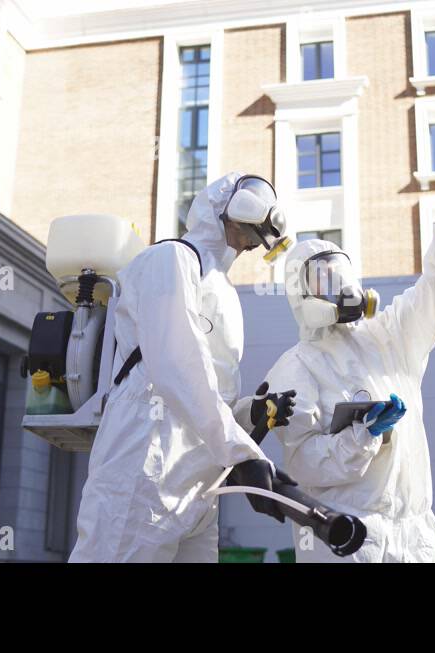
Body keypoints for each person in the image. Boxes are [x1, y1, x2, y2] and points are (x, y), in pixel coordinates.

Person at [70, 172, 293, 563]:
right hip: (144, 464)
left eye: (256, 241)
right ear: (228, 207)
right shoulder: (170, 258)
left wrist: (246, 415)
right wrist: (242, 454)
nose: (249, 246)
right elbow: (176, 366)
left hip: (198, 482)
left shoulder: (222, 290)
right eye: (249, 233)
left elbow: (210, 391)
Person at [263, 174, 435, 562]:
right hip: (349, 537)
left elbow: (433, 293)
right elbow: (304, 463)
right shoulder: (295, 367)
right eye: (324, 278)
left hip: (415, 535)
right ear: (301, 291)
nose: (341, 286)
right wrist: (363, 436)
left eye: (340, 274)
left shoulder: (387, 339)